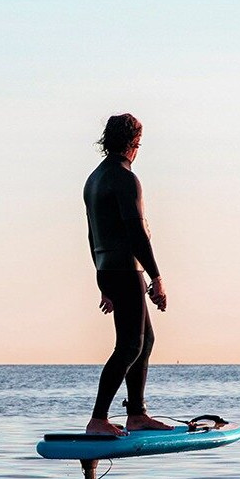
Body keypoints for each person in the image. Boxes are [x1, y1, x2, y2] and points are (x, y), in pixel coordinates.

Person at [84, 113, 173, 436]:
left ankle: (137, 413)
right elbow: (136, 232)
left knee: (144, 340)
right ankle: (98, 419)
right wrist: (156, 277)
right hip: (125, 267)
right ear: (134, 143)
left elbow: (92, 234)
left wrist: (101, 280)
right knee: (130, 346)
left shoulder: (95, 178)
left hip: (109, 267)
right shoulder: (124, 177)